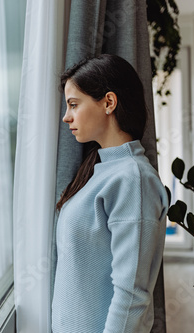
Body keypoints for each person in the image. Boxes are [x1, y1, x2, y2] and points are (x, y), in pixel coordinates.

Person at [51, 54, 169, 333]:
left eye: (74, 104)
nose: (66, 116)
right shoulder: (102, 171)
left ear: (108, 103)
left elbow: (132, 294)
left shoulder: (133, 179)